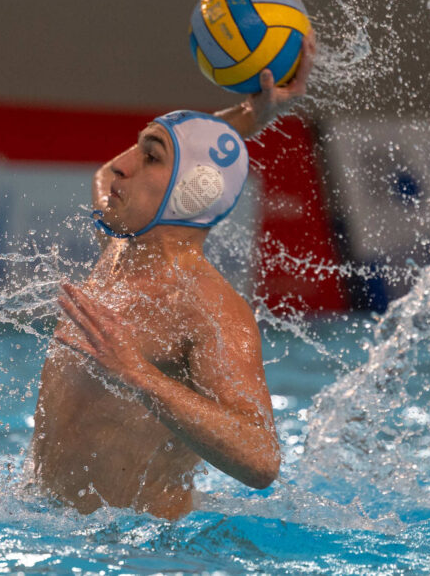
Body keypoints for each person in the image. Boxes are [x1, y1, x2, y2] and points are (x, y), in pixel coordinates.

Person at [27, 33, 317, 520]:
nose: (119, 166)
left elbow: (261, 457)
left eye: (151, 156)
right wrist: (244, 121)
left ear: (193, 191)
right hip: (53, 532)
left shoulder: (209, 309)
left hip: (146, 554)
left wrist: (138, 375)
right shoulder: (119, 251)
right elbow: (104, 176)